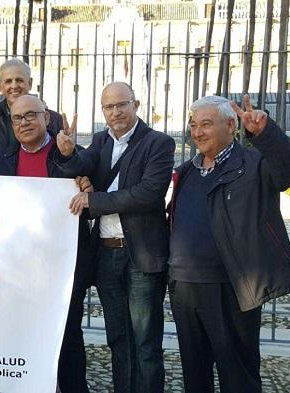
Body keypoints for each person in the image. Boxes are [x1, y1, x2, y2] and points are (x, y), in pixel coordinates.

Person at [168, 95, 290, 392]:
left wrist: (265, 133)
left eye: (206, 124)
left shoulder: (253, 165)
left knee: (238, 375)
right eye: (193, 125)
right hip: (185, 287)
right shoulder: (187, 171)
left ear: (231, 125)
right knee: (195, 375)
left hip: (230, 288)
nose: (197, 132)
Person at [68, 81, 175, 393]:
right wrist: (66, 153)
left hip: (140, 255)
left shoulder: (159, 143)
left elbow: (148, 194)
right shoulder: (99, 142)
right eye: (108, 107)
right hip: (106, 254)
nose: (115, 112)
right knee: (118, 338)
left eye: (121, 104)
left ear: (135, 105)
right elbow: (78, 169)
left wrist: (95, 200)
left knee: (145, 342)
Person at [0, 95, 93, 393]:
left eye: (31, 115)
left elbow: (91, 188)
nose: (24, 123)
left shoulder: (72, 152)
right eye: (17, 118)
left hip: (64, 269)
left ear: (46, 118)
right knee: (23, 335)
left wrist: (85, 181)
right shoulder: (4, 162)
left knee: (68, 338)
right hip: (19, 270)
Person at [0, 58, 64, 159]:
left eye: (19, 80)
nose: (14, 86)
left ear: (30, 83)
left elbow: (65, 158)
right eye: (8, 81)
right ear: (0, 87)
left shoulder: (55, 119)